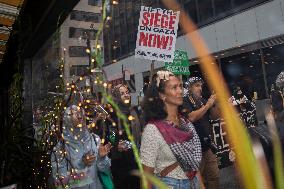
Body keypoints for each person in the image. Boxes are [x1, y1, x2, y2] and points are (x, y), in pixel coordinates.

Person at [140, 70, 202, 189]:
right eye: (174, 88)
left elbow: (193, 164)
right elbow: (146, 177)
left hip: (193, 182)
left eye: (180, 86)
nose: (180, 91)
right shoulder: (153, 130)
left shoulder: (186, 123)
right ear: (162, 95)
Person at [51, 105, 112, 189]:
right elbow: (60, 183)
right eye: (73, 113)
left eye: (80, 112)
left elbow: (104, 170)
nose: (79, 115)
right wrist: (82, 165)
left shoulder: (95, 139)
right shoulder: (60, 148)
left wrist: (102, 158)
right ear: (67, 119)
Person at [181, 76, 219, 189]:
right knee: (198, 181)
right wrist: (208, 105)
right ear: (189, 88)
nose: (200, 88)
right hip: (194, 149)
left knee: (214, 176)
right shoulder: (185, 101)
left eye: (201, 85)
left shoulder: (202, 101)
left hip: (208, 146)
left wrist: (214, 104)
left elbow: (216, 116)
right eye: (197, 86)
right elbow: (191, 117)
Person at [105, 84, 141, 189]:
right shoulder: (113, 114)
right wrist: (115, 144)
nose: (126, 95)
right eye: (122, 93)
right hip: (121, 161)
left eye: (127, 92)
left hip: (136, 157)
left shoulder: (134, 110)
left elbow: (141, 130)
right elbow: (110, 134)